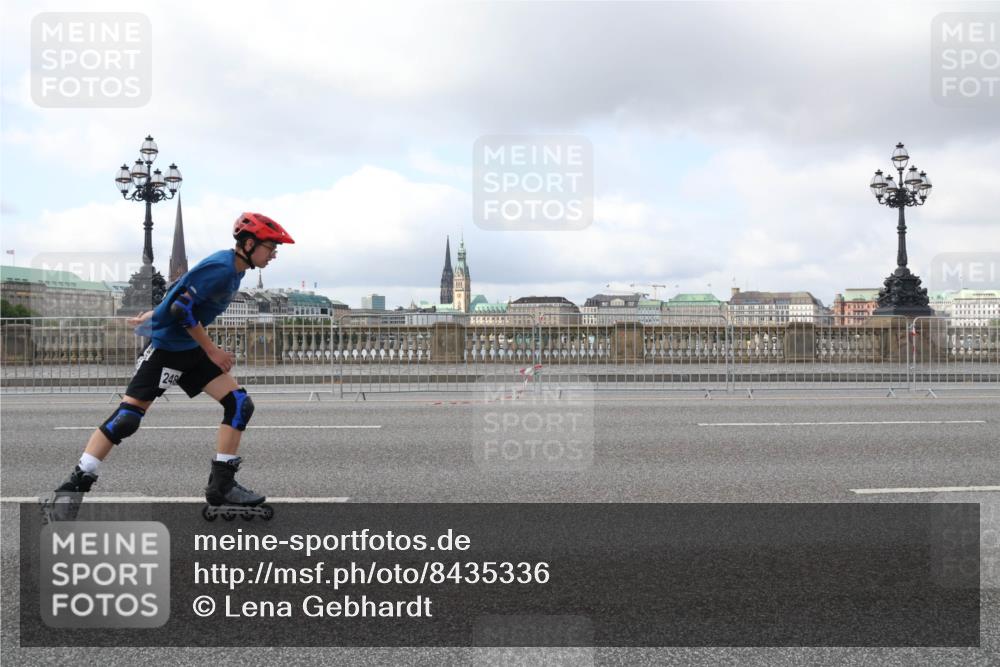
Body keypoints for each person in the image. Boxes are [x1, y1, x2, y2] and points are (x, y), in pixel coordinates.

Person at [50, 212, 294, 520]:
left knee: (239, 404)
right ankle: (71, 489)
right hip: (167, 351)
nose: (274, 254)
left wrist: (154, 312)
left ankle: (222, 485)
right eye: (271, 247)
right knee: (126, 419)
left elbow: (180, 290)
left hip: (189, 349)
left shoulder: (236, 270)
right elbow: (182, 309)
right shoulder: (222, 268)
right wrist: (213, 350)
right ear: (249, 244)